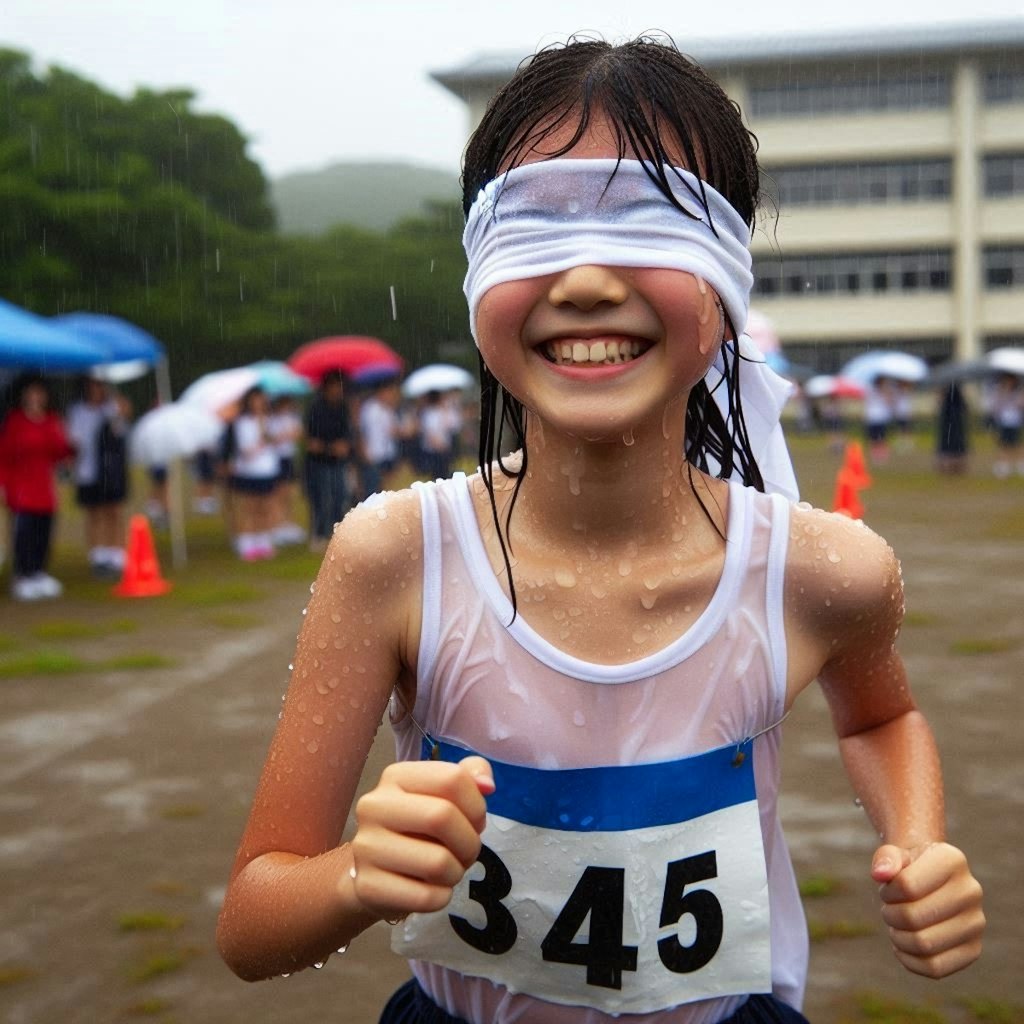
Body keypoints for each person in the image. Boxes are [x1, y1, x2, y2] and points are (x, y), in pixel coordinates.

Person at [217, 37, 984, 1024]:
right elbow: (250, 921)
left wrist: (915, 839)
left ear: (727, 282)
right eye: (533, 224)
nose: (583, 278)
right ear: (475, 274)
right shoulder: (395, 556)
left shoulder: (824, 569)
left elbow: (881, 716)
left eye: (650, 223)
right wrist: (357, 874)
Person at [0, 374, 74, 600]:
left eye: (39, 393)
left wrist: (67, 439)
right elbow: (4, 456)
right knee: (24, 533)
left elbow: (60, 452)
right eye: (31, 393)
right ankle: (23, 574)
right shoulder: (15, 421)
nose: (35, 397)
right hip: (21, 488)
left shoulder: (51, 420)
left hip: (44, 488)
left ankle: (39, 572)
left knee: (43, 532)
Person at [66, 376, 132, 579]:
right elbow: (73, 440)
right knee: (94, 512)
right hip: (88, 470)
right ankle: (98, 555)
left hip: (110, 471)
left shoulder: (110, 409)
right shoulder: (77, 411)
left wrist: (121, 408)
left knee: (114, 510)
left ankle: (116, 553)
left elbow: (121, 428)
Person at [227, 386, 279, 561]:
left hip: (267, 469)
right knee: (249, 508)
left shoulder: (270, 419)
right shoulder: (243, 422)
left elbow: (276, 442)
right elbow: (245, 449)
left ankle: (263, 541)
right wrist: (262, 440)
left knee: (265, 507)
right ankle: (247, 543)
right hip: (249, 471)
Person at [304, 369, 353, 552]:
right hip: (320, 462)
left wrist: (345, 445)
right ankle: (319, 533)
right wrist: (330, 447)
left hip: (338, 461)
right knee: (321, 498)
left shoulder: (343, 407)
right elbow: (312, 441)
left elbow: (347, 433)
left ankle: (337, 532)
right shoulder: (316, 408)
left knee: (340, 496)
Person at [267, 394, 306, 545]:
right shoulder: (272, 420)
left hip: (289, 457)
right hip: (277, 458)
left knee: (289, 492)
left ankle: (287, 522)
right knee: (278, 492)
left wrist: (286, 435)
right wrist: (285, 435)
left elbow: (298, 433)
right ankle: (277, 523)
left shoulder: (292, 417)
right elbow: (272, 439)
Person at [358, 380, 401, 499]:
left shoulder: (388, 410)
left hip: (387, 454)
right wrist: (365, 451)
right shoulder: (369, 408)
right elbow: (362, 431)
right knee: (372, 492)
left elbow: (393, 431)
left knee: (385, 490)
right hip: (373, 454)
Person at [989, 372, 1023, 478]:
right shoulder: (999, 392)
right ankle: (1004, 465)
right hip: (1004, 422)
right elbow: (995, 407)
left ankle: (1020, 464)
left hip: (1015, 421)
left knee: (1016, 443)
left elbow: (1020, 405)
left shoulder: (1018, 392)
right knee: (1004, 443)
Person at [935, 381, 969, 475]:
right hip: (953, 420)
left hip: (951, 420)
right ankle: (953, 465)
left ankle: (952, 465)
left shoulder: (950, 389)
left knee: (949, 442)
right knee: (953, 442)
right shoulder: (954, 389)